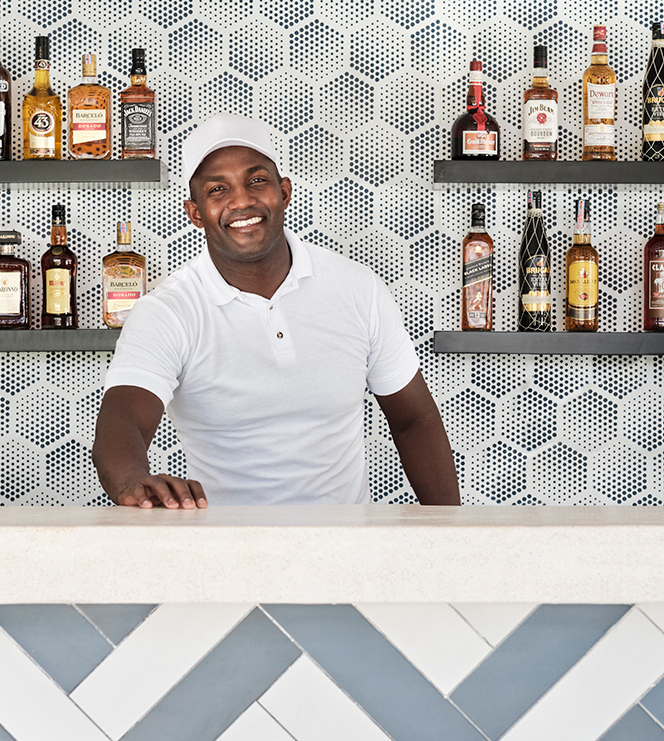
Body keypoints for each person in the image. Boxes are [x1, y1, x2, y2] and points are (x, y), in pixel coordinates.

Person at [92, 114, 459, 508]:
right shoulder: (169, 311)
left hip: (347, 551)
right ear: (195, 213)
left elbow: (414, 421)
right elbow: (123, 419)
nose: (242, 201)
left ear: (284, 192)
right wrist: (131, 480)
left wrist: (452, 535)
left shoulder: (357, 289)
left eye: (257, 181)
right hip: (225, 552)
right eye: (218, 189)